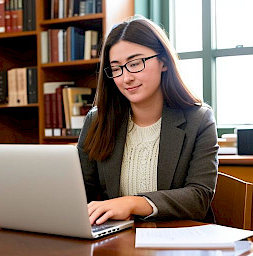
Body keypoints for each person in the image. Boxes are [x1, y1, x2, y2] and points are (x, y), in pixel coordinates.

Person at [77, 15, 219, 226]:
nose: (126, 78)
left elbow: (198, 198)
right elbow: (81, 191)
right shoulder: (97, 121)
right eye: (116, 68)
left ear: (163, 62)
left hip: (177, 241)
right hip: (114, 240)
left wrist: (133, 203)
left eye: (135, 63)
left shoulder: (199, 120)